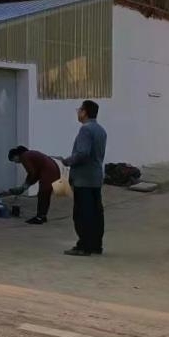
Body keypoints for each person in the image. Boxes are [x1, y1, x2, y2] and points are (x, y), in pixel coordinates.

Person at [62, 100, 108, 256]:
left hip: (84, 179)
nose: (78, 112)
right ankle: (96, 245)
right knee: (96, 213)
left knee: (82, 214)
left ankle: (84, 246)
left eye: (79, 109)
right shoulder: (101, 130)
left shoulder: (85, 130)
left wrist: (68, 161)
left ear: (85, 112)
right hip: (95, 177)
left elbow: (82, 154)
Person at [7, 146, 61, 225]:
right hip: (54, 171)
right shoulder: (30, 154)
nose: (16, 162)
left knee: (43, 195)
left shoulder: (24, 156)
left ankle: (39, 218)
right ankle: (43, 216)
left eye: (14, 160)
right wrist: (26, 185)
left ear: (16, 155)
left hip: (49, 172)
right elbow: (35, 174)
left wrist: (25, 186)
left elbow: (32, 173)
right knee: (45, 195)